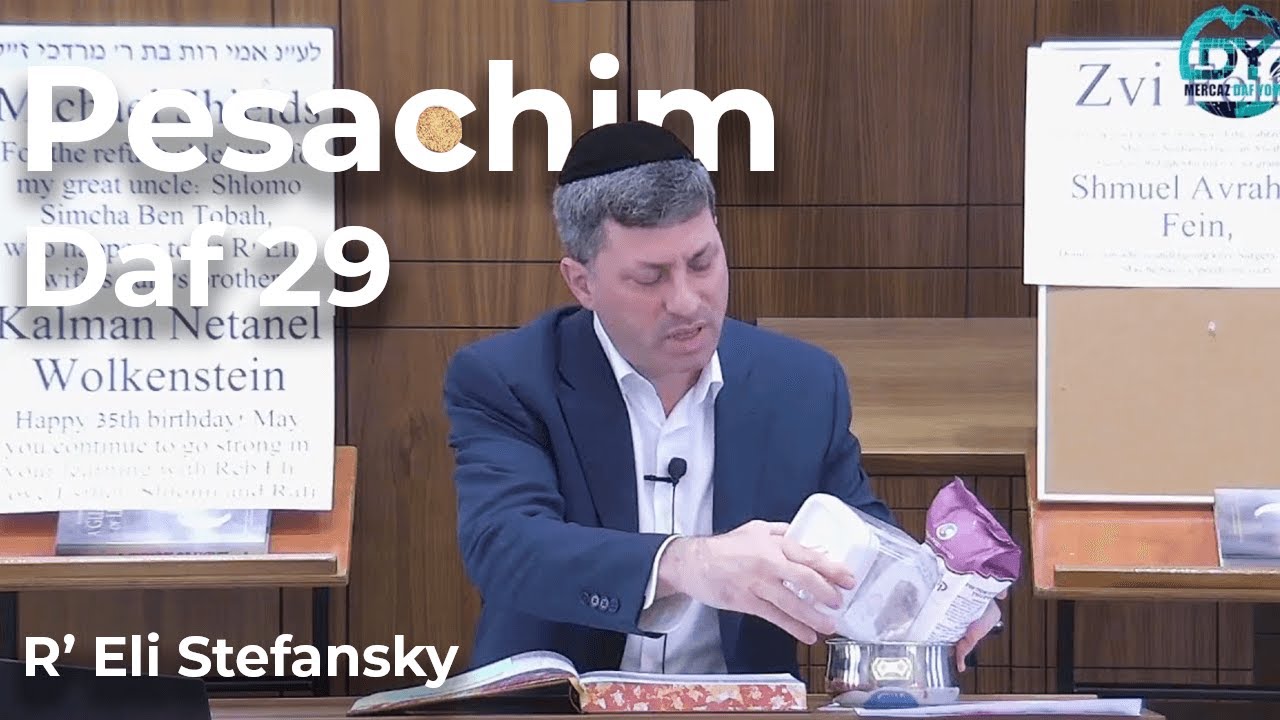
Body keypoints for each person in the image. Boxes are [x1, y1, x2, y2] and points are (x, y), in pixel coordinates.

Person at [442, 121, 1002, 678]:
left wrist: (933, 600)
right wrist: (687, 562)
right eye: (650, 278)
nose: (687, 302)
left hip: (740, 706)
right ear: (581, 282)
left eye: (702, 262)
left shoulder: (801, 384)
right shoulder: (509, 379)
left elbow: (858, 544)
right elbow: (505, 545)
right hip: (561, 704)